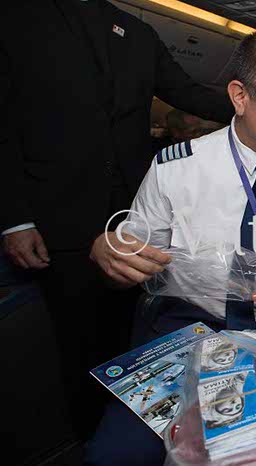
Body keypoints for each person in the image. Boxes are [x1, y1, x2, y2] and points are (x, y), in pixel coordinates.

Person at [85, 29, 256, 466]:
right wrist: (110, 257)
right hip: (191, 331)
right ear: (240, 96)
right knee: (116, 456)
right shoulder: (176, 169)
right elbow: (128, 270)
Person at [0, 0, 234, 438]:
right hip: (59, 219)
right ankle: (90, 435)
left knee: (135, 333)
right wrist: (15, 220)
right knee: (79, 341)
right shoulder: (16, 20)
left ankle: (138, 431)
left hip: (132, 217)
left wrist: (253, 105)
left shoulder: (136, 32)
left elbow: (188, 93)